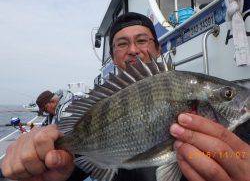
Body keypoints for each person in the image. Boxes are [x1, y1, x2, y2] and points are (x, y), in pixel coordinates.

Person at [1, 12, 249, 181]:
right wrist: (43, 164)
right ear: (113, 55)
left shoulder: (233, 126)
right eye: (122, 44)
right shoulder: (93, 109)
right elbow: (68, 164)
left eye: (141, 40)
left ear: (157, 48)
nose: (133, 50)